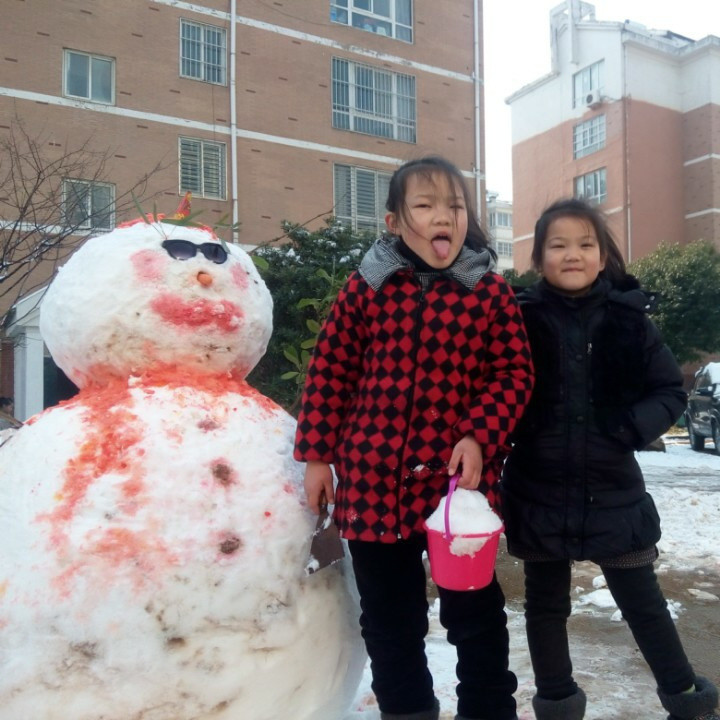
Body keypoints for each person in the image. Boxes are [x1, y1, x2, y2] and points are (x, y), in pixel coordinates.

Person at [294, 156, 534, 720]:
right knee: (388, 617)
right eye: (424, 206)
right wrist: (316, 456)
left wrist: (479, 435)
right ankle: (407, 711)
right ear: (395, 222)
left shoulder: (489, 293)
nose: (441, 217)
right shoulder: (366, 290)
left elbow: (514, 374)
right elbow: (330, 370)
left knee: (473, 614)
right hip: (373, 481)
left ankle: (488, 709)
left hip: (457, 492)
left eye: (453, 205)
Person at [501, 198, 719, 720]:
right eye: (558, 245)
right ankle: (556, 700)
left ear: (603, 257)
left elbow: (669, 390)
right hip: (539, 488)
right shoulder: (519, 319)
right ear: (538, 257)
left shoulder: (630, 318)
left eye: (585, 244)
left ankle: (684, 694)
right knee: (546, 605)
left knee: (642, 600)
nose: (571, 254)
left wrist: (628, 429)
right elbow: (494, 386)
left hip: (613, 490)